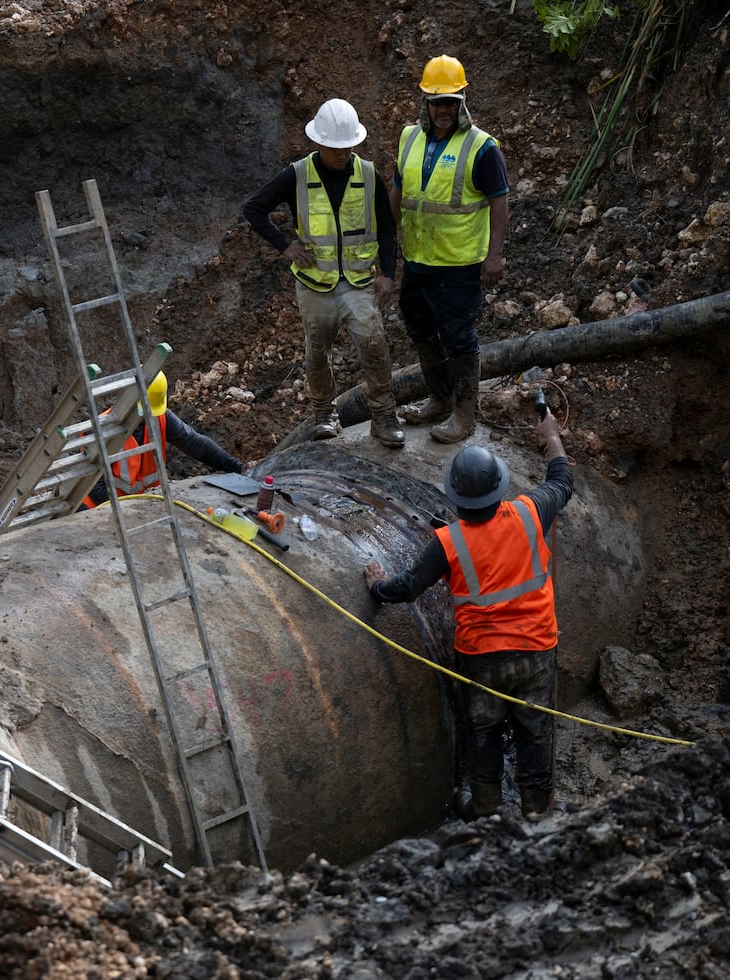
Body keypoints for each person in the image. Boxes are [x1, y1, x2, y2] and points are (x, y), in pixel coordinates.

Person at [363, 409, 572, 820]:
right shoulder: (531, 513)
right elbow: (563, 481)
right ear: (499, 491)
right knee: (536, 731)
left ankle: (486, 810)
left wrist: (376, 585)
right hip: (536, 651)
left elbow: (408, 588)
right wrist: (551, 436)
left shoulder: (448, 542)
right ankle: (537, 812)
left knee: (483, 732)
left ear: (456, 499)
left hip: (482, 659)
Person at [243, 98, 406, 447]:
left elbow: (387, 227)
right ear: (318, 142)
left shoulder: (367, 173)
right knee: (317, 352)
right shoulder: (297, 174)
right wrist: (284, 245)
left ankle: (383, 416)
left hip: (359, 282)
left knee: (373, 345)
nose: (342, 154)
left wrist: (388, 274)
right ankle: (324, 414)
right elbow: (254, 208)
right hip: (315, 284)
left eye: (347, 147)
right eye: (335, 148)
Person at [389, 55, 509, 444]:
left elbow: (499, 201)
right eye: (436, 102)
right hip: (418, 260)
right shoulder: (409, 138)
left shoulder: (481, 147)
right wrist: (389, 241)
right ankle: (439, 399)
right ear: (424, 101)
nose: (443, 110)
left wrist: (494, 255)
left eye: (451, 102)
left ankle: (463, 414)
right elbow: (398, 190)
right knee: (420, 328)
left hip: (459, 265)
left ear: (462, 101)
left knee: (460, 338)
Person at [82, 371, 243, 508]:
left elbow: (195, 443)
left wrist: (237, 467)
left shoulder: (160, 417)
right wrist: (125, 513)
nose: (148, 418)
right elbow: (95, 487)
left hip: (138, 504)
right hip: (98, 509)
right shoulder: (101, 430)